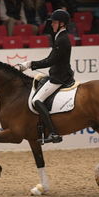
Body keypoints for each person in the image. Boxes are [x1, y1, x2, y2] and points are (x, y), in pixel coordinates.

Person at [16, 9, 74, 144]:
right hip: (58, 73)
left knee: (36, 100)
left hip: (59, 77)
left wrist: (29, 64)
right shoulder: (59, 36)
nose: (52, 24)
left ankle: (53, 133)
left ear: (62, 24)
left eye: (54, 22)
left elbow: (50, 61)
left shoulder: (62, 39)